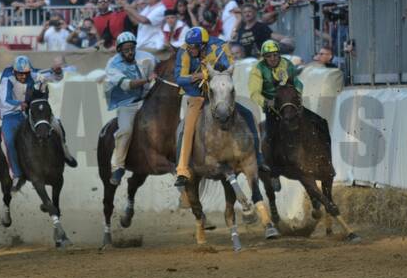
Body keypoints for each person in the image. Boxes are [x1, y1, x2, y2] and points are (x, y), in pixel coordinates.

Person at [173, 27, 270, 188]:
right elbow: (179, 78)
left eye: (194, 47)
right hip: (197, 97)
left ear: (203, 45)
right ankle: (182, 170)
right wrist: (196, 76)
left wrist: (215, 69)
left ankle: (258, 157)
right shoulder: (183, 51)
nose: (191, 49)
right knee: (187, 128)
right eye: (189, 46)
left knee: (247, 114)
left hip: (218, 95)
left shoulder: (219, 46)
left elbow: (228, 66)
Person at [0, 55, 77, 189]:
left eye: (25, 74)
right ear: (14, 71)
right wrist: (19, 105)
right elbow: (5, 100)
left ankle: (65, 153)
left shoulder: (33, 74)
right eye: (20, 74)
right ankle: (17, 175)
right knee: (9, 140)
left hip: (28, 112)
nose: (23, 77)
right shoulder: (7, 77)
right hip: (10, 113)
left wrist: (57, 71)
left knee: (56, 125)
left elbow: (54, 78)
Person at [102, 32, 158, 185]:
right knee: (125, 129)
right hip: (127, 102)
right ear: (119, 50)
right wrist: (147, 79)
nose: (130, 52)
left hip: (148, 98)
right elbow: (128, 84)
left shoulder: (147, 56)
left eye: (132, 48)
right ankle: (118, 166)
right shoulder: (112, 65)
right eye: (126, 50)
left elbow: (160, 68)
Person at [248, 40, 304, 174]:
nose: (273, 58)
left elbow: (297, 83)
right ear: (263, 57)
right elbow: (254, 92)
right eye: (268, 56)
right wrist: (267, 102)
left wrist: (296, 95)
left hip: (290, 104)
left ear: (279, 54)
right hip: (272, 107)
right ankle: (272, 169)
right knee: (272, 136)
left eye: (275, 55)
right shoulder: (257, 69)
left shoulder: (287, 64)